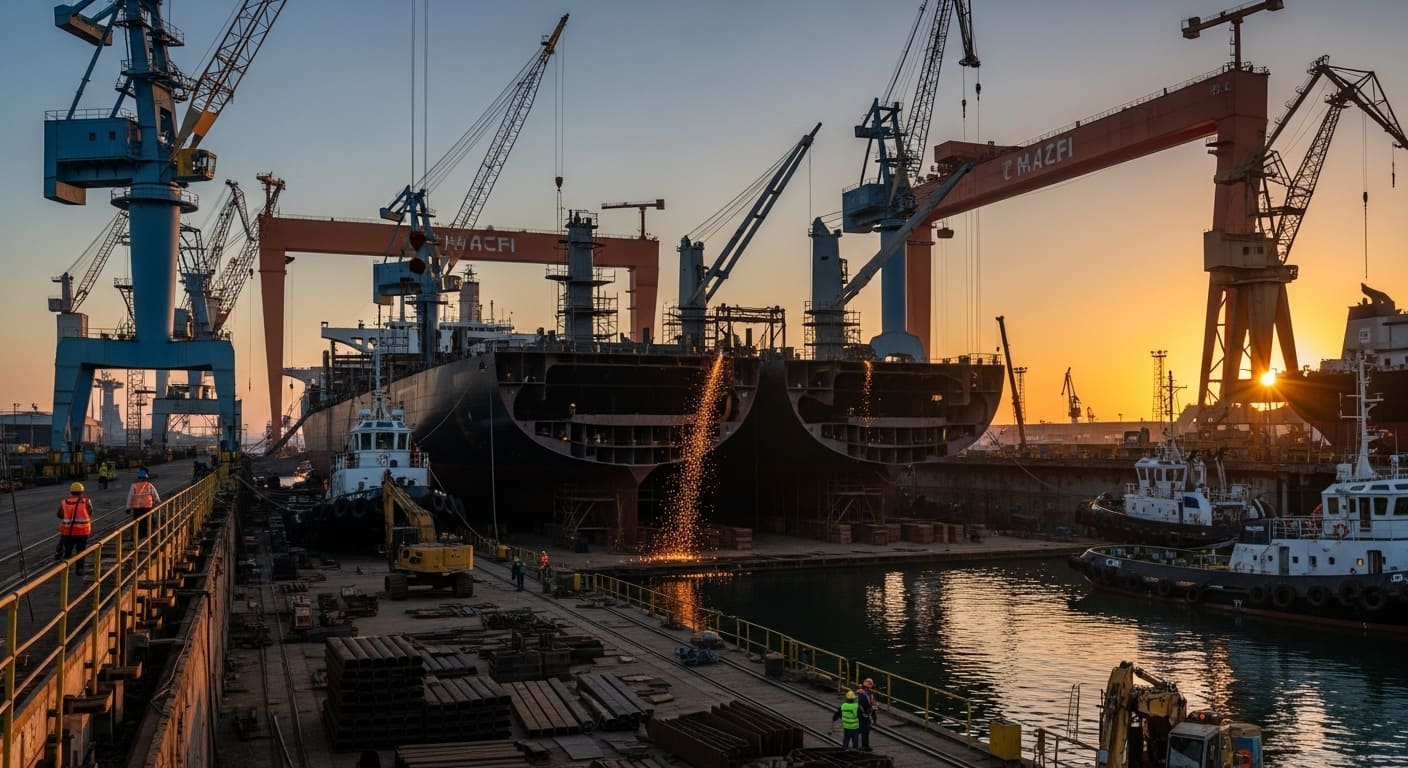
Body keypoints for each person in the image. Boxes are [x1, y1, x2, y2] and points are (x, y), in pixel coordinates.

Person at [56, 482, 94, 577]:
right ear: (82, 492)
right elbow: (90, 512)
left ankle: (66, 570)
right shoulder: (86, 501)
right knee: (81, 551)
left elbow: (60, 514)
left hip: (67, 532)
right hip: (82, 532)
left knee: (67, 551)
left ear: (71, 492)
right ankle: (79, 569)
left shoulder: (64, 502)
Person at [127, 467, 161, 540]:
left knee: (138, 523)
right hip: (147, 508)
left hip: (137, 509)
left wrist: (128, 508)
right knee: (148, 522)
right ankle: (147, 536)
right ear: (146, 477)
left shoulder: (134, 486)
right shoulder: (149, 485)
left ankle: (138, 537)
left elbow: (130, 497)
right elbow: (155, 495)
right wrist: (158, 502)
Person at [855, 678, 878, 751]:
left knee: (864, 730)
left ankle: (864, 745)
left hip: (863, 714)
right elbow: (866, 706)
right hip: (862, 714)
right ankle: (863, 746)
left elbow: (872, 706)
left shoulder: (867, 694)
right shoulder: (862, 695)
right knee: (864, 730)